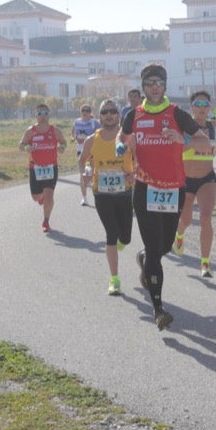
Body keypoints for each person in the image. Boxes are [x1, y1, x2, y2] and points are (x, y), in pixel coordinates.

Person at [117, 64, 210, 330]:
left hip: (173, 189)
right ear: (144, 86)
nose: (154, 86)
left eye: (159, 82)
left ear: (165, 85)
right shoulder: (134, 115)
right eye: (149, 82)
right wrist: (125, 145)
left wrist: (184, 141)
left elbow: (204, 142)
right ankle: (158, 308)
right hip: (145, 189)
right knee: (156, 252)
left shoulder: (177, 114)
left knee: (165, 247)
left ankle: (145, 259)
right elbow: (120, 142)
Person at [78, 98, 135, 294]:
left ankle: (120, 242)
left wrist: (134, 173)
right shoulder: (91, 140)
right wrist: (86, 171)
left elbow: (140, 160)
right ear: (99, 116)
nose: (109, 115)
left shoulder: (129, 138)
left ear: (118, 115)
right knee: (111, 234)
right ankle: (114, 279)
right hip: (101, 194)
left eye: (112, 111)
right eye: (105, 112)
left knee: (125, 238)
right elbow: (83, 161)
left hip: (125, 192)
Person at [173, 90, 216, 278]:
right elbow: (177, 148)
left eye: (205, 105)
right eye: (198, 104)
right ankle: (179, 235)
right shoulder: (184, 127)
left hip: (207, 178)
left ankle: (205, 263)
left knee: (206, 218)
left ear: (210, 108)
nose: (202, 108)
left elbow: (214, 145)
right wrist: (191, 144)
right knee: (186, 219)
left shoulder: (212, 125)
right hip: (187, 179)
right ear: (191, 108)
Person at [19, 105, 64, 232]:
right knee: (36, 197)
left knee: (49, 196)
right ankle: (41, 197)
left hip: (51, 167)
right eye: (39, 112)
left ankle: (46, 221)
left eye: (45, 112)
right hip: (35, 168)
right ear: (36, 115)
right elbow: (21, 144)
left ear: (49, 115)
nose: (42, 115)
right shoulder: (30, 131)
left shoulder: (55, 130)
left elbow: (63, 142)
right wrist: (27, 147)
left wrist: (62, 148)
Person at [71, 103, 100, 207]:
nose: (85, 112)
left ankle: (98, 195)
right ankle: (84, 198)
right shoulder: (76, 122)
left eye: (88, 110)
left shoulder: (94, 123)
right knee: (82, 174)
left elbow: (101, 133)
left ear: (90, 112)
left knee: (94, 172)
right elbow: (73, 132)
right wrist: (74, 138)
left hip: (92, 150)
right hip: (80, 150)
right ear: (80, 112)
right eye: (83, 110)